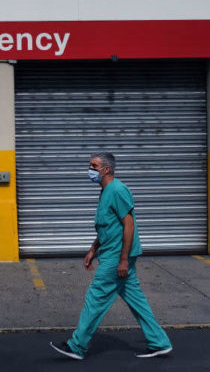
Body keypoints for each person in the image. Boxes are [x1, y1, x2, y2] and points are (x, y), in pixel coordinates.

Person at [50, 152, 172, 360]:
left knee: (95, 298)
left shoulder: (117, 190)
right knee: (136, 300)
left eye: (93, 166)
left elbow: (129, 224)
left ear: (106, 169)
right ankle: (160, 342)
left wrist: (123, 259)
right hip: (111, 253)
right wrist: (92, 249)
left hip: (116, 257)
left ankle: (77, 346)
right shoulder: (106, 191)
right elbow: (107, 226)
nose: (90, 169)